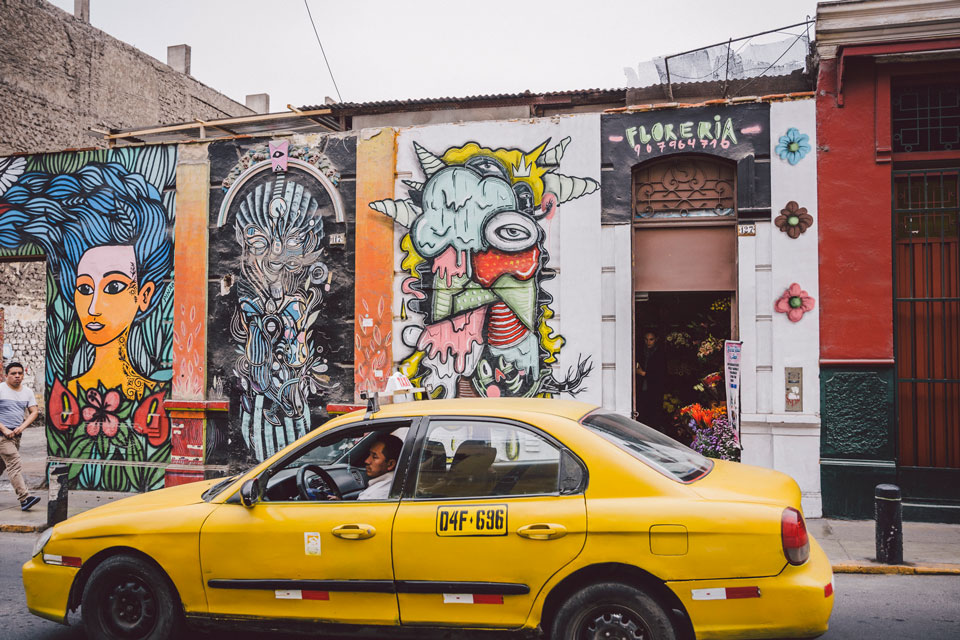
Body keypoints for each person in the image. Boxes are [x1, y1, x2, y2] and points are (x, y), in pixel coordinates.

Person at [0, 362, 40, 511]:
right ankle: (25, 498)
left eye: (20, 373)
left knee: (1, 466)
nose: (17, 376)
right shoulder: (1, 389)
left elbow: (34, 411)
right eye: (13, 373)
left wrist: (21, 427)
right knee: (14, 463)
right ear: (6, 375)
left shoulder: (27, 392)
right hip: (2, 435)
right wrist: (4, 429)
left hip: (15, 436)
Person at [356, 434, 403, 500]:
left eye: (374, 457)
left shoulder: (369, 497)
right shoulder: (400, 482)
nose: (367, 461)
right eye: (369, 455)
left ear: (390, 464)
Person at [636, 330, 667, 429]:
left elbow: (661, 373)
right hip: (641, 388)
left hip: (654, 390)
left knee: (654, 416)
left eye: (651, 340)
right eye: (646, 339)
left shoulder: (660, 354)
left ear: (656, 340)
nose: (648, 342)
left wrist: (644, 374)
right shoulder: (640, 352)